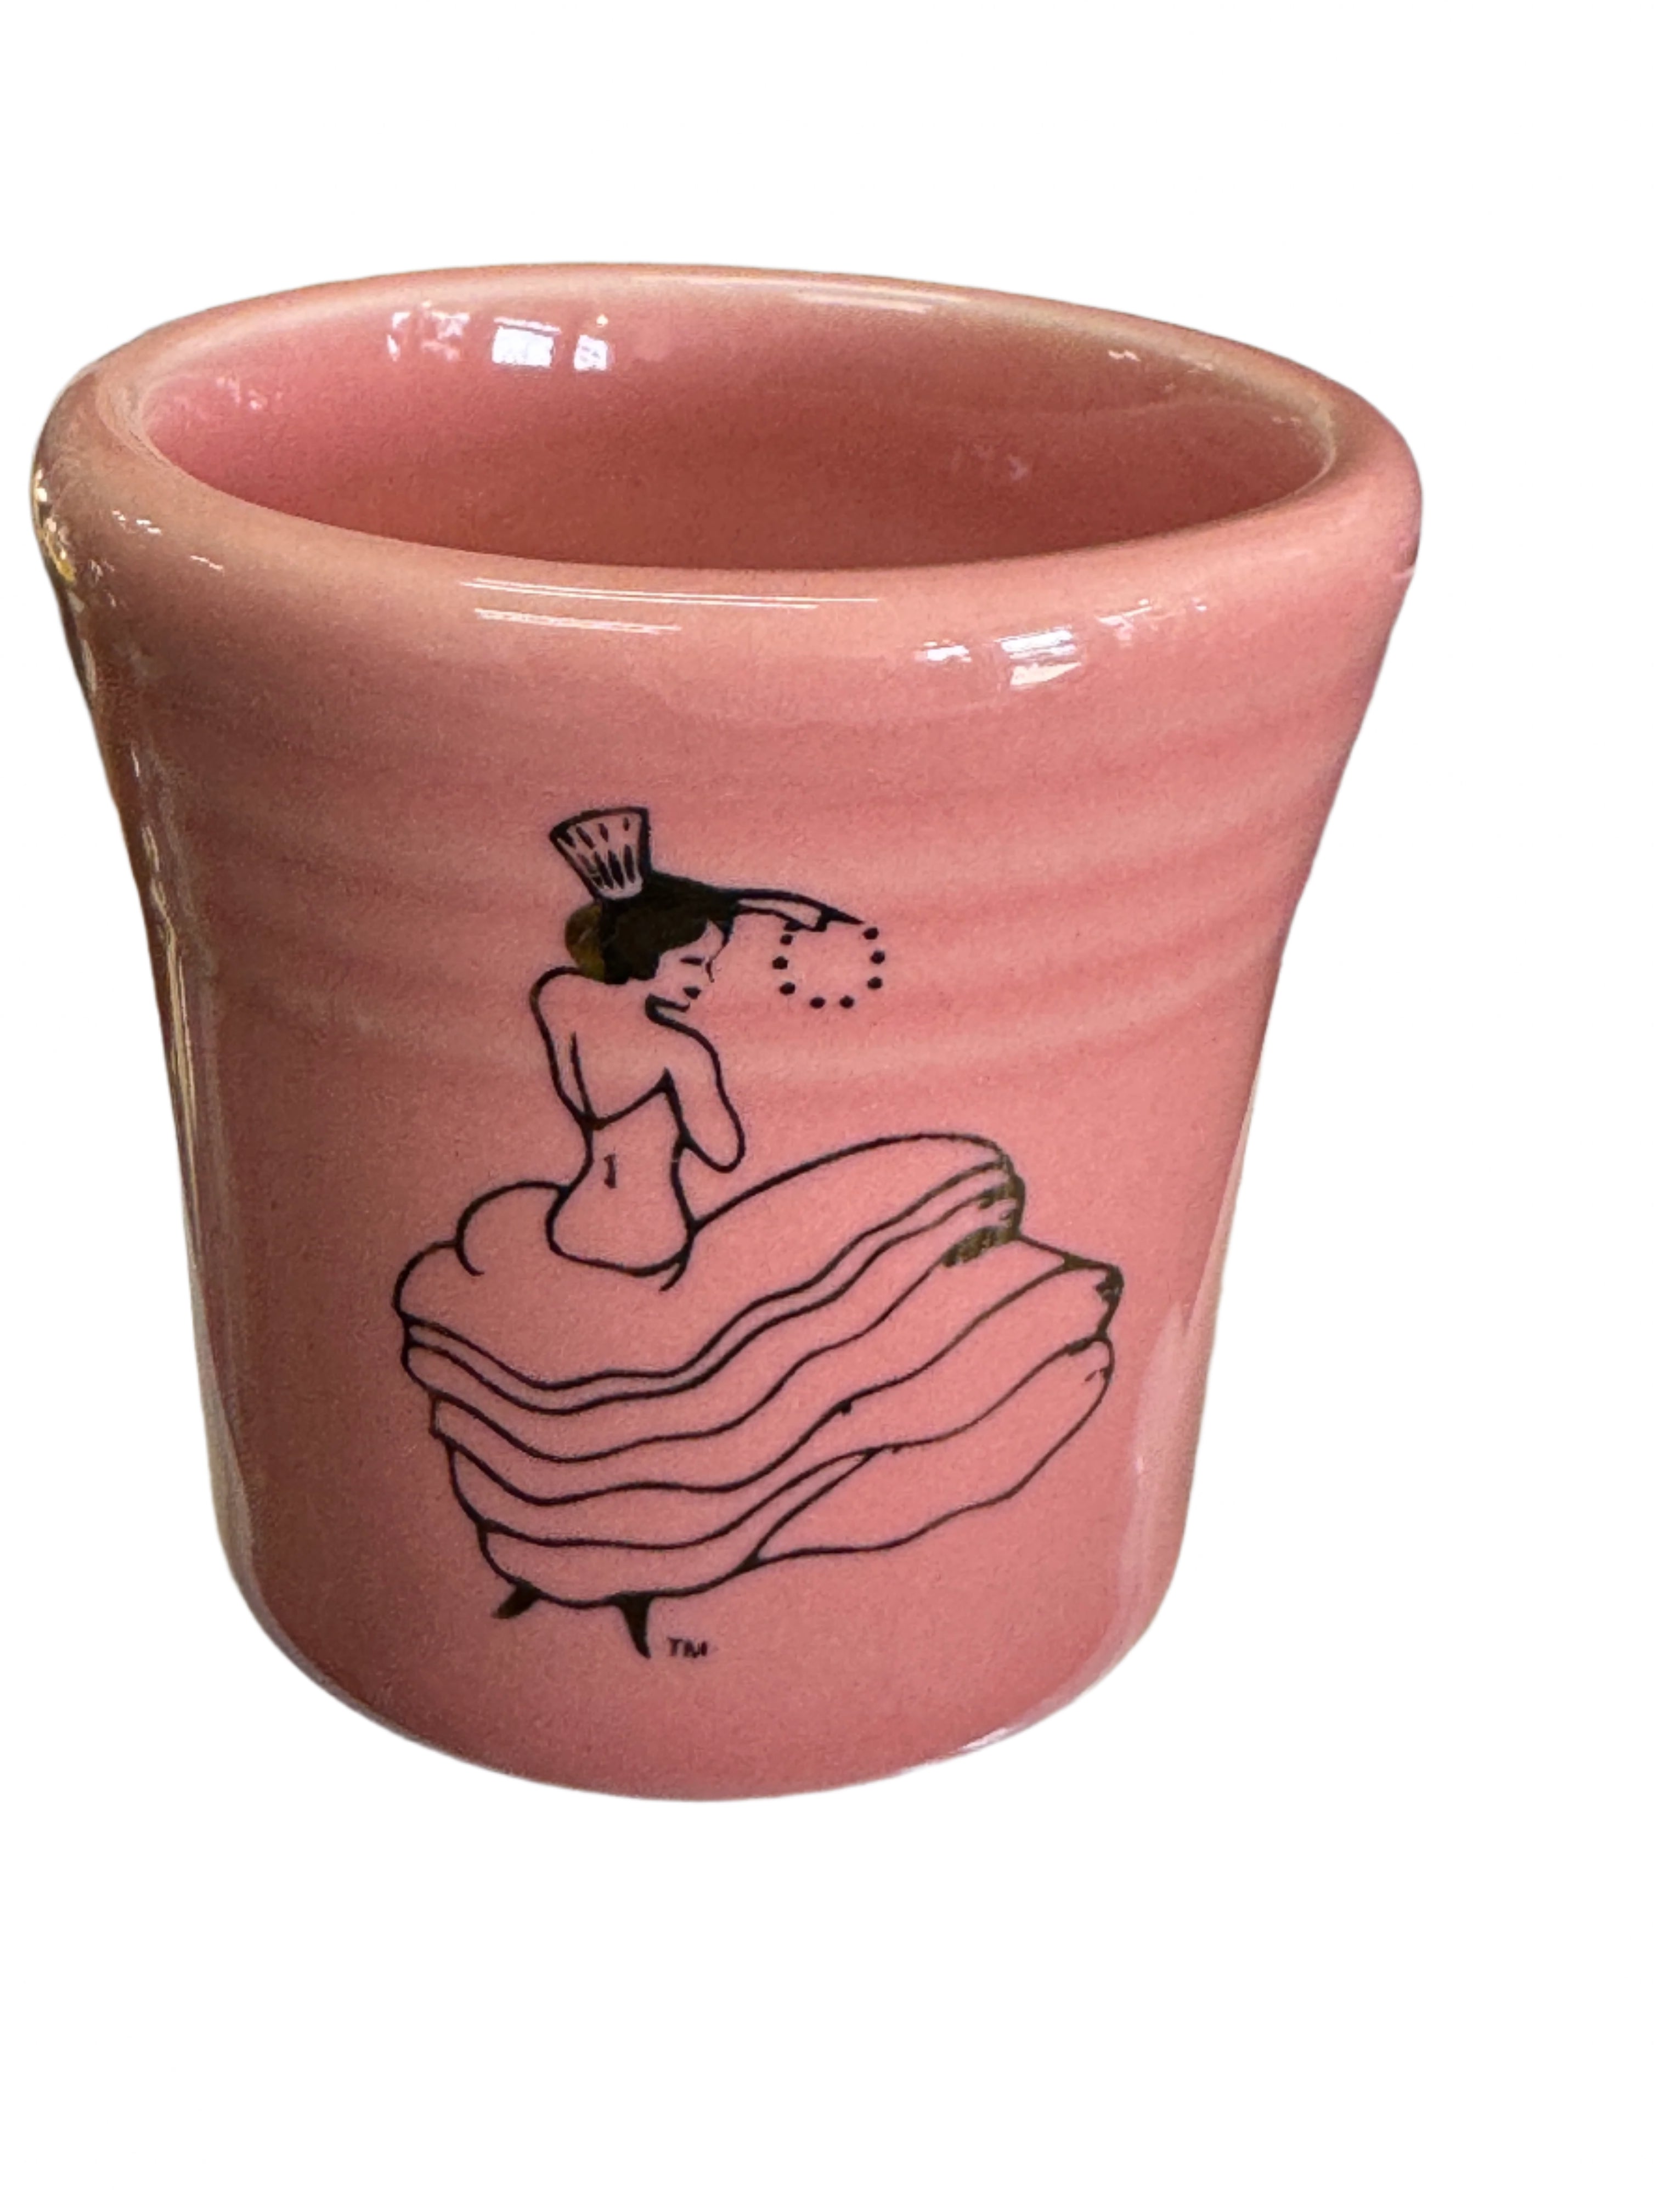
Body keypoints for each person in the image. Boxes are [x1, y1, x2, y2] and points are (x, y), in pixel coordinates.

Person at [532, 808, 851, 1274]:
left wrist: (648, 902)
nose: (705, 979)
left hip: (573, 1221)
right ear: (646, 951)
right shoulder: (680, 1055)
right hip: (647, 1240)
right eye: (693, 962)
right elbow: (724, 1153)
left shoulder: (560, 999)